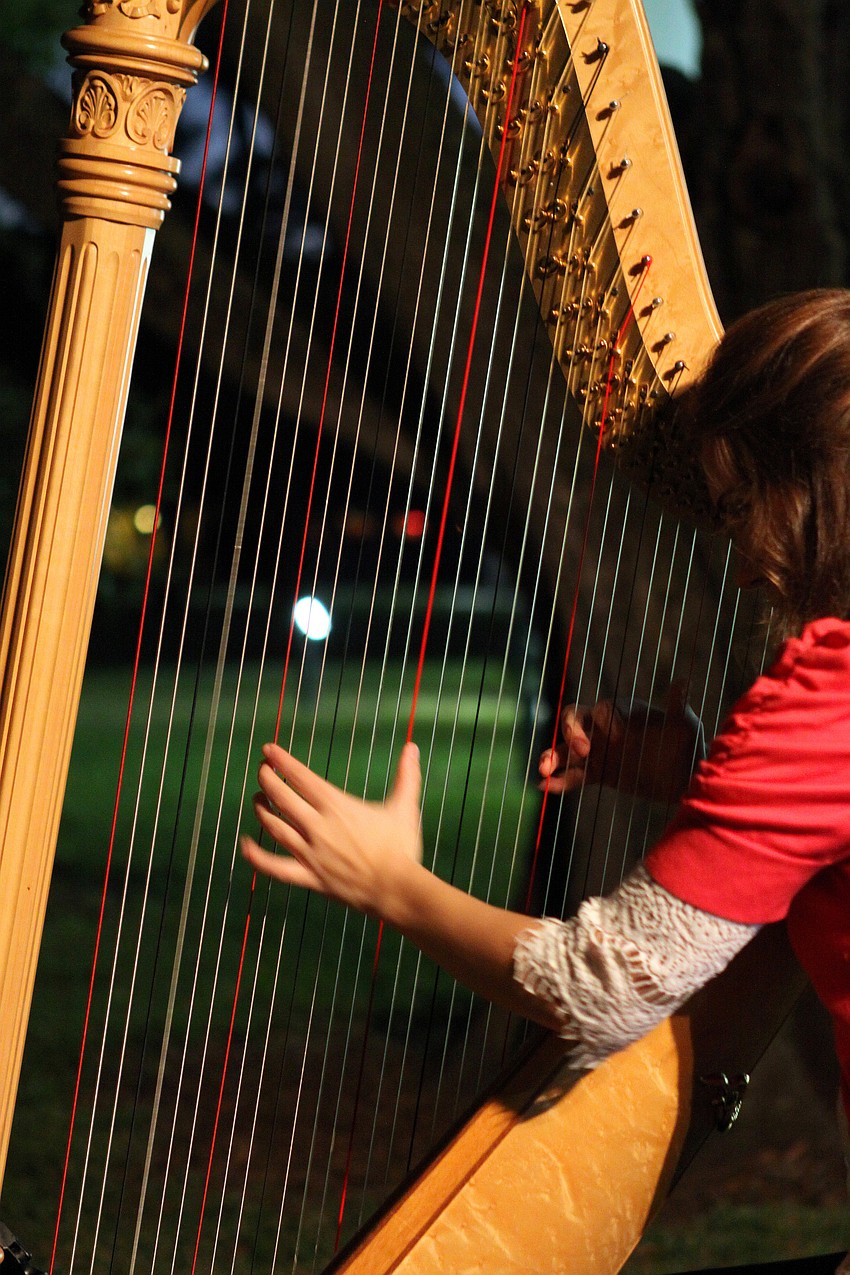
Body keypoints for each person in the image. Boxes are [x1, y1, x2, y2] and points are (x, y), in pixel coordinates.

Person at [241, 289, 850, 1270]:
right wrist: (699, 773)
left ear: (812, 484)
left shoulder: (830, 682)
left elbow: (599, 986)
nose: (738, 565)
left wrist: (389, 882)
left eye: (740, 508)